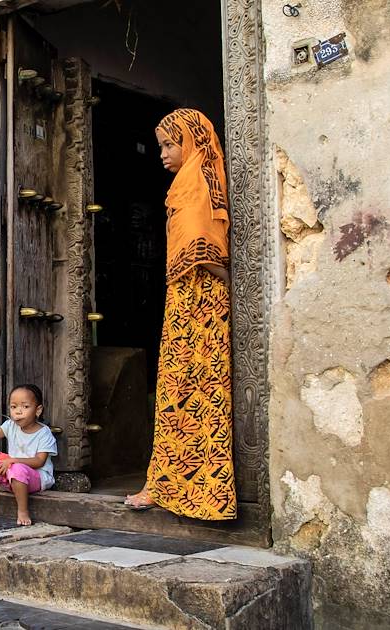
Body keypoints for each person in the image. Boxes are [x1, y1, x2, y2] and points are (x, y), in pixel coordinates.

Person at [124, 108, 236, 520]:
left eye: (171, 144)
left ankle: (196, 490)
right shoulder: (189, 184)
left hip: (200, 304)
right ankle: (168, 484)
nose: (164, 154)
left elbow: (205, 249)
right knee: (180, 393)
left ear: (192, 143)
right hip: (187, 300)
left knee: (194, 393)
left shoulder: (200, 184)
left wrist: (225, 283)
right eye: (162, 146)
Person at [0, 384, 58, 526]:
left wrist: (13, 460)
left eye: (25, 407)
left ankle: (22, 511)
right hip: (13, 474)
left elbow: (39, 461)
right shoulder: (10, 425)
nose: (18, 412)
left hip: (38, 478)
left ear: (38, 410)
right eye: (14, 407)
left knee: (17, 469)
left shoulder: (44, 433)